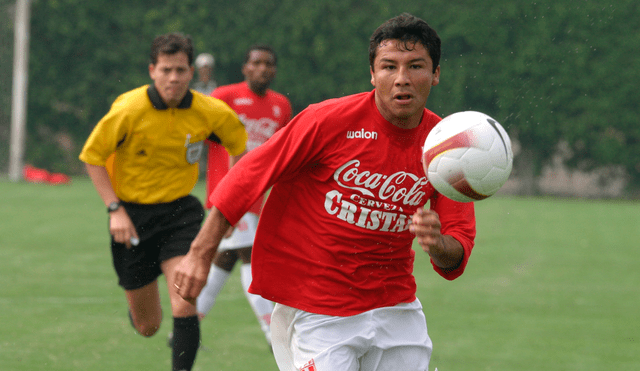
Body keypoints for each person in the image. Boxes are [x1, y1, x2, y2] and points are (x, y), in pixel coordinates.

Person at [174, 13, 476, 371]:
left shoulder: (444, 147)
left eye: (416, 66)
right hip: (317, 306)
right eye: (388, 66)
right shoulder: (328, 120)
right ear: (372, 73)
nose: (401, 79)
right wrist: (199, 252)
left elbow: (456, 252)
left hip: (395, 307)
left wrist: (437, 243)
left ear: (436, 73)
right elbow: (248, 175)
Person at [79, 32, 247, 371]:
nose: (174, 78)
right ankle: (140, 306)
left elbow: (240, 150)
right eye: (167, 70)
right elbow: (92, 156)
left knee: (185, 301)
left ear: (191, 72)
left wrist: (226, 206)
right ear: (152, 70)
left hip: (180, 214)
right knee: (149, 327)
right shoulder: (128, 108)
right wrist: (115, 210)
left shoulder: (209, 110)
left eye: (181, 70)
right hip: (132, 218)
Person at [197, 44, 292, 345]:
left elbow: (283, 150)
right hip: (228, 193)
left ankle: (188, 323)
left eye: (269, 63)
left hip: (261, 197)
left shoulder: (281, 105)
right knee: (251, 255)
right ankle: (271, 332)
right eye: (257, 63)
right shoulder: (224, 97)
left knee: (225, 259)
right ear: (245, 67)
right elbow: (199, 130)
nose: (263, 68)